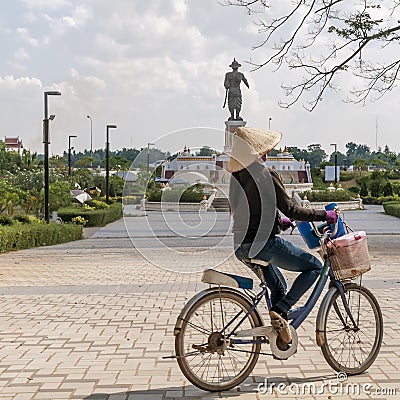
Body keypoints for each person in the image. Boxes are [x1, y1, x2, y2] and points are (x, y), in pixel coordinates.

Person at [227, 127, 337, 345]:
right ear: (261, 152)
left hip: (241, 246)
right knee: (314, 267)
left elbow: (252, 210)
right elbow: (292, 209)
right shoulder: (266, 174)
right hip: (264, 244)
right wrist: (325, 214)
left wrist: (278, 222)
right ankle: (280, 310)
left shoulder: (238, 178)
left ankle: (280, 328)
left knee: (277, 287)